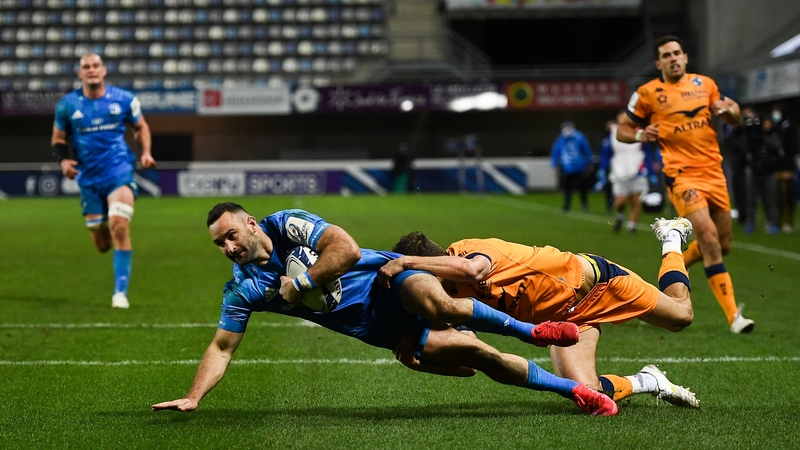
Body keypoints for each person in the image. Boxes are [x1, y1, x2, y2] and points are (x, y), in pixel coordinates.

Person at [152, 203, 617, 416]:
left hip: (391, 281)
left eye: (231, 235)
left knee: (438, 301)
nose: (228, 247)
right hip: (385, 331)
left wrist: (304, 283)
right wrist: (194, 396)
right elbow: (222, 347)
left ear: (251, 225)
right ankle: (577, 392)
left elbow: (348, 250)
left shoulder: (287, 224)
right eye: (220, 244)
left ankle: (532, 332)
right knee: (480, 358)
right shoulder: (243, 290)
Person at [381, 217, 699, 409]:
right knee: (588, 395)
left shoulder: (467, 251)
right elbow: (472, 362)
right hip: (565, 321)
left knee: (681, 316)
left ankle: (671, 240)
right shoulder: (445, 298)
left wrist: (405, 263)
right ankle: (649, 380)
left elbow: (473, 270)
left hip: (597, 286)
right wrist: (420, 363)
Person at [616, 35, 754, 334]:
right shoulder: (647, 93)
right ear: (659, 63)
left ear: (685, 57)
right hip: (682, 175)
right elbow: (622, 130)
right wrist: (640, 134)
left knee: (724, 244)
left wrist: (732, 112)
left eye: (677, 53)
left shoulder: (705, 84)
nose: (673, 58)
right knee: (710, 240)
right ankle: (734, 317)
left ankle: (676, 261)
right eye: (666, 55)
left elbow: (733, 118)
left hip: (714, 172)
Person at [51, 53, 155, 309]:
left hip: (119, 170)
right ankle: (103, 224)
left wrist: (146, 152)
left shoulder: (124, 99)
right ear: (80, 73)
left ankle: (120, 293)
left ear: (104, 70)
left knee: (119, 225)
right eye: (86, 66)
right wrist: (63, 161)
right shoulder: (67, 105)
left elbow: (141, 126)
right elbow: (58, 138)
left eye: (96, 65)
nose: (91, 70)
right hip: (88, 178)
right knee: (101, 243)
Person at [598, 110, 656, 233]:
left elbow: (647, 153)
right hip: (619, 171)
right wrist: (602, 169)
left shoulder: (640, 133)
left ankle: (632, 226)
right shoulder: (614, 134)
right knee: (621, 201)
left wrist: (651, 172)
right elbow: (606, 154)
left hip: (637, 171)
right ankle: (620, 215)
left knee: (636, 199)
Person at [744, 116, 783, 234]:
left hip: (769, 171)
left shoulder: (773, 135)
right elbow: (747, 149)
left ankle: (773, 222)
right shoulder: (751, 137)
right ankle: (750, 223)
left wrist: (762, 137)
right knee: (750, 199)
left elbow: (777, 148)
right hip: (754, 170)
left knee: (771, 198)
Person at [551, 120, 594, 213]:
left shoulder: (579, 137)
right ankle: (567, 205)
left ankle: (584, 204)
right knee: (567, 188)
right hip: (567, 168)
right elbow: (555, 153)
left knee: (582, 187)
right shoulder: (560, 139)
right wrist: (554, 165)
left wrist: (589, 162)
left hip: (580, 167)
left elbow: (586, 150)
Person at [771, 105, 799, 233]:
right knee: (777, 196)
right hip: (778, 167)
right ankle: (778, 221)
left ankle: (789, 221)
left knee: (788, 195)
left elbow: (793, 149)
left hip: (788, 168)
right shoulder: (776, 128)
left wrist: (789, 168)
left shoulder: (791, 128)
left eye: (777, 112)